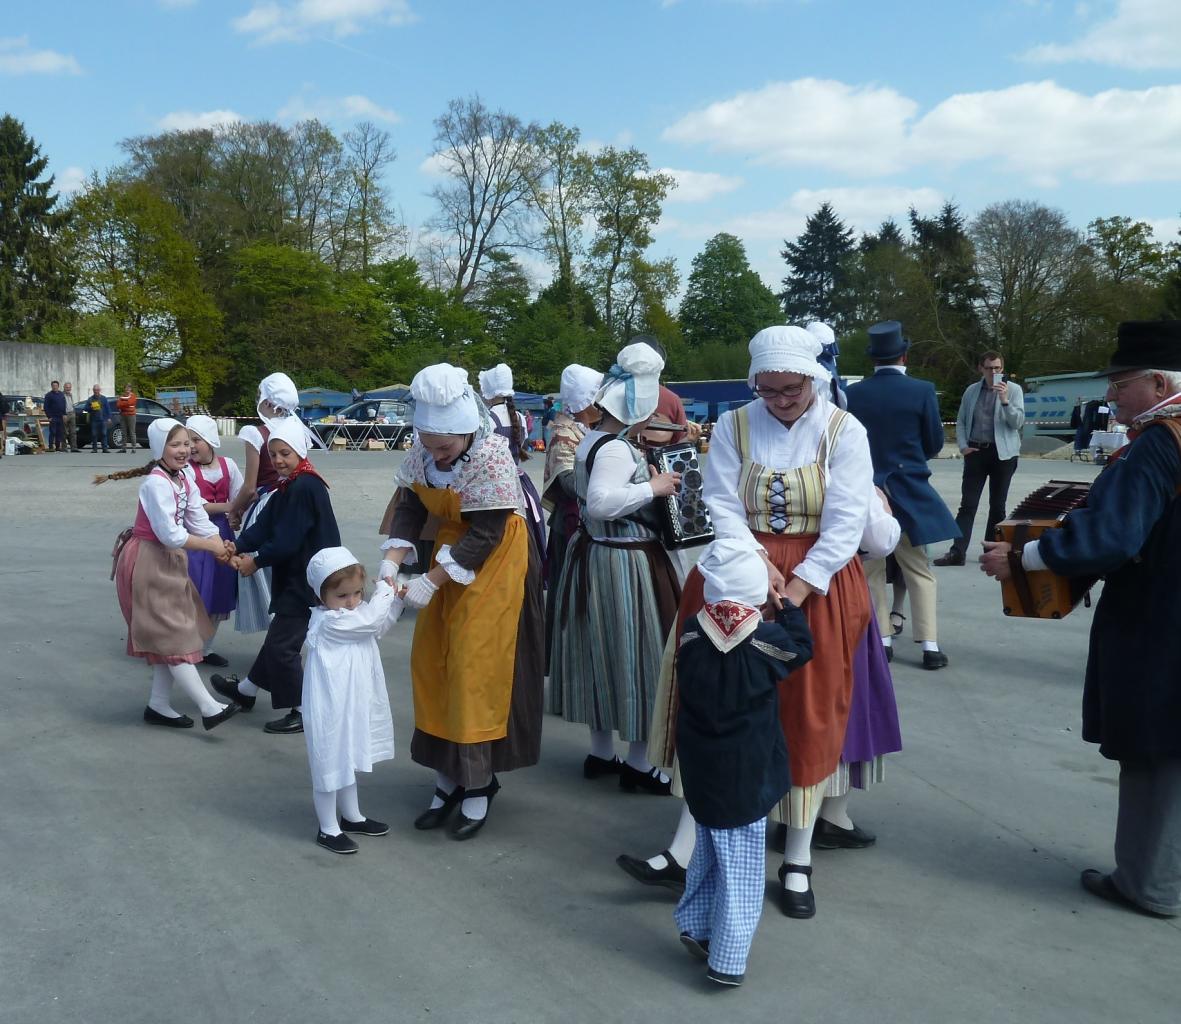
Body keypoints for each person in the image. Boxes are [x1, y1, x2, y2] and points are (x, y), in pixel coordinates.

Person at [620, 325, 874, 919]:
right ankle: (689, 845)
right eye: (768, 390)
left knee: (807, 711)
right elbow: (722, 502)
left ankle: (798, 857)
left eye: (791, 390)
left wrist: (803, 584)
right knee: (716, 706)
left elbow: (847, 517)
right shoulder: (736, 424)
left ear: (813, 380)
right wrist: (755, 568)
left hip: (822, 581)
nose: (780, 401)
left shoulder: (844, 430)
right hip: (738, 572)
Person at [981, 320, 1181, 919]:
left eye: (1122, 382)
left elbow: (1114, 538)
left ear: (1161, 381)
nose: (1112, 394)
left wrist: (1026, 555)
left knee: (1156, 751)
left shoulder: (1159, 443)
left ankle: (1150, 885)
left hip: (1163, 620)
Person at [378, 363, 544, 840]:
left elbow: (488, 532)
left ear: (467, 431)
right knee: (434, 662)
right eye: (429, 446)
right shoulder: (424, 451)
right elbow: (410, 505)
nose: (437, 455)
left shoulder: (491, 456)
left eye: (444, 447)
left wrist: (431, 578)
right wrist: (392, 561)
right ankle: (445, 776)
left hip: (492, 561)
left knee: (474, 667)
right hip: (450, 555)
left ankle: (478, 783)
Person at [674, 539, 813, 987]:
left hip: (702, 770)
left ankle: (696, 927)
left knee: (707, 857)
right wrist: (786, 604)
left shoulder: (693, 633)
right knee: (742, 872)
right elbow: (802, 646)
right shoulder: (766, 640)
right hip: (746, 773)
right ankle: (728, 960)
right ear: (758, 594)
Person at [548, 342, 683, 792]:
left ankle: (602, 752)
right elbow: (604, 503)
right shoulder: (616, 450)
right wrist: (657, 487)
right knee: (638, 657)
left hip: (595, 556)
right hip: (622, 563)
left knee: (598, 654)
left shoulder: (591, 438)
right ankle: (640, 765)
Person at [100, 419, 240, 731]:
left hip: (170, 561)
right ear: (159, 448)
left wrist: (225, 549)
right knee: (175, 636)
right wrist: (212, 547)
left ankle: (158, 704)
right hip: (149, 560)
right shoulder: (155, 483)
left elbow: (199, 520)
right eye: (175, 444)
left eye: (187, 443)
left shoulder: (184, 478)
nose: (184, 450)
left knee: (171, 635)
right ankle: (208, 707)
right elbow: (170, 535)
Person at [212, 415, 340, 735]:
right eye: (274, 454)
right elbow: (264, 526)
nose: (279, 460)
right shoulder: (289, 484)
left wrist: (254, 562)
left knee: (284, 647)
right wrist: (236, 545)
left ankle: (302, 710)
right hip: (297, 575)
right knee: (278, 638)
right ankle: (246, 691)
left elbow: (287, 540)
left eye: (285, 453)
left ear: (300, 451)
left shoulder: (305, 486)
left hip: (309, 581)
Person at [844, 321, 958, 670]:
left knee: (873, 569)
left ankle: (883, 639)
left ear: (873, 359)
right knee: (918, 569)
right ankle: (931, 646)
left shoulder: (855, 394)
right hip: (909, 488)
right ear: (904, 355)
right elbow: (935, 442)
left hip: (868, 490)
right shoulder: (922, 389)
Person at [302, 547, 402, 855]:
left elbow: (379, 626)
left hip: (352, 698)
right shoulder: (330, 622)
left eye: (358, 593)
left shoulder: (356, 614)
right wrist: (386, 588)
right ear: (322, 596)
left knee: (348, 754)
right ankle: (328, 827)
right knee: (330, 757)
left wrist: (396, 600)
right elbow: (371, 622)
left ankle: (352, 816)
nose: (353, 602)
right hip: (331, 704)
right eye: (343, 596)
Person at [228, 372, 318, 634]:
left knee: (261, 572)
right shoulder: (296, 430)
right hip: (289, 499)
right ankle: (288, 635)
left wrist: (234, 512)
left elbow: (249, 486)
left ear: (267, 402)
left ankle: (278, 637)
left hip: (267, 502)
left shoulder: (257, 433)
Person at [935, 352, 1025, 566]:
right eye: (988, 368)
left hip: (1003, 454)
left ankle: (991, 551)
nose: (993, 372)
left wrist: (1004, 401)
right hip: (976, 452)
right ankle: (957, 552)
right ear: (980, 368)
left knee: (997, 505)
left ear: (1002, 369)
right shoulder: (971, 391)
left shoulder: (1013, 390)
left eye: (997, 368)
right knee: (967, 505)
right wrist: (964, 446)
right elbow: (962, 421)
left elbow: (1018, 422)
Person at [540, 364, 603, 663]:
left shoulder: (594, 429)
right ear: (585, 400)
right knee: (568, 595)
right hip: (571, 526)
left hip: (593, 523)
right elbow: (565, 480)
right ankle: (563, 661)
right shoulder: (565, 432)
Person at [184, 415, 243, 668]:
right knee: (195, 593)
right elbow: (196, 507)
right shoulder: (186, 470)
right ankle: (186, 646)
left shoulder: (228, 465)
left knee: (219, 592)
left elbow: (240, 494)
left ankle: (205, 648)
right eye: (187, 441)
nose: (191, 446)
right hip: (196, 538)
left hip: (223, 536)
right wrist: (231, 507)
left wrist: (237, 515)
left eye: (196, 440)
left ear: (210, 440)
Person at [479, 363, 547, 561]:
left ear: (490, 392)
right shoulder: (519, 417)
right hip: (520, 484)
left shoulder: (488, 419)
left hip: (496, 485)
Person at [87, 385, 112, 453]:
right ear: (93, 390)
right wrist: (91, 407)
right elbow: (85, 409)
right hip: (94, 419)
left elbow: (108, 408)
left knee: (104, 434)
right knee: (94, 434)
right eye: (95, 390)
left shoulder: (104, 398)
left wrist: (109, 417)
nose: (96, 391)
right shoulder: (90, 399)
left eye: (97, 390)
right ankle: (95, 449)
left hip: (103, 419)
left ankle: (105, 449)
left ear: (99, 390)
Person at [43, 380, 66, 452]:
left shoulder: (61, 394)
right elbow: (46, 407)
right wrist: (49, 417)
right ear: (51, 386)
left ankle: (57, 446)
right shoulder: (48, 395)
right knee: (53, 432)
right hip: (53, 417)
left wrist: (64, 414)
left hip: (60, 416)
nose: (55, 387)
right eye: (53, 386)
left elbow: (64, 405)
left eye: (56, 386)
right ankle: (50, 447)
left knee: (59, 432)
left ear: (58, 386)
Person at [116, 384, 138, 454]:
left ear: (131, 389)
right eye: (126, 388)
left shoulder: (133, 396)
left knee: (132, 432)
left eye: (129, 388)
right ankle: (123, 448)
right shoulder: (122, 395)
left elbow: (130, 402)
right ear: (125, 389)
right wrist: (126, 405)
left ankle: (134, 448)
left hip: (131, 415)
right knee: (123, 432)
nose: (127, 389)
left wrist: (123, 403)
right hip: (123, 415)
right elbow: (118, 404)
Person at [62, 383, 79, 451]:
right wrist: (63, 414)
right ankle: (64, 447)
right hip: (65, 414)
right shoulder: (61, 395)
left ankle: (74, 448)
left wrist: (74, 412)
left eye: (69, 387)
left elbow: (72, 404)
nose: (68, 389)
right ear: (64, 388)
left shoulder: (71, 395)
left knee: (73, 432)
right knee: (64, 432)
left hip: (72, 413)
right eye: (67, 387)